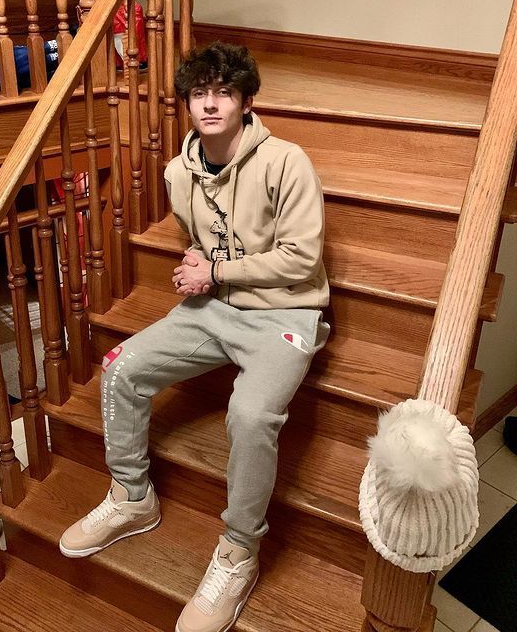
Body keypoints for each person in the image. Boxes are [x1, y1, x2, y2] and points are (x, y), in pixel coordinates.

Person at [59, 41, 330, 632]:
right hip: (213, 308)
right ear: (186, 103)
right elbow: (202, 236)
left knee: (251, 415)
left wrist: (217, 269)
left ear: (245, 101)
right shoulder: (178, 172)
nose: (210, 103)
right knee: (121, 365)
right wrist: (202, 264)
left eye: (224, 92)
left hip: (285, 315)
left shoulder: (287, 160)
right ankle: (132, 498)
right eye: (199, 93)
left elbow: (303, 260)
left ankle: (238, 553)